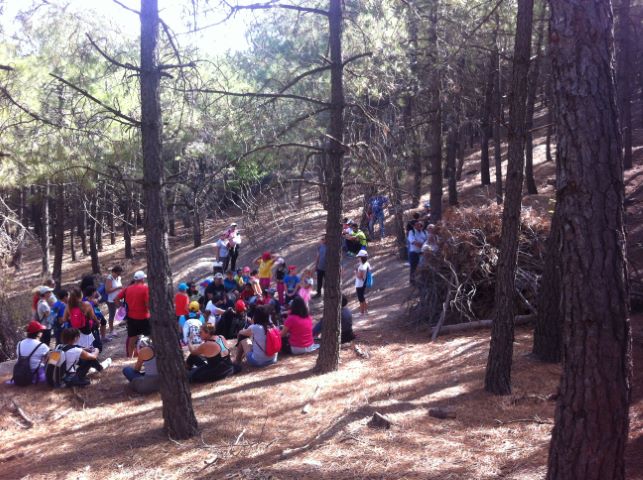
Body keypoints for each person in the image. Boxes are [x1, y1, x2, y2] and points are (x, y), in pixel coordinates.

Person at [116, 270, 151, 358]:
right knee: (149, 338)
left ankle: (129, 358)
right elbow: (147, 304)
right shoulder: (145, 288)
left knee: (132, 339)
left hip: (131, 318)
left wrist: (122, 308)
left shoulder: (128, 288)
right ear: (142, 279)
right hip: (144, 317)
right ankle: (150, 356)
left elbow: (116, 299)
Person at [13, 321, 50, 385]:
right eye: (41, 331)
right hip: (35, 374)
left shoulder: (19, 343)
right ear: (38, 333)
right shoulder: (42, 346)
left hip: (21, 372)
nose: (42, 332)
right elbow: (48, 360)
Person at [105, 266, 123, 338]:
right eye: (117, 273)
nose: (118, 275)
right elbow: (108, 290)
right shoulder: (109, 278)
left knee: (124, 310)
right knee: (112, 314)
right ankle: (111, 330)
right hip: (111, 300)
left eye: (119, 274)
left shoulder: (119, 278)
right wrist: (118, 288)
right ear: (113, 272)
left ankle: (124, 322)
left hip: (119, 298)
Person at [355, 250, 371, 316]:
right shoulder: (367, 264)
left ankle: (362, 312)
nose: (358, 258)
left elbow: (360, 276)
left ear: (361, 257)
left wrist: (356, 272)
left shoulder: (362, 266)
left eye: (359, 257)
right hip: (364, 283)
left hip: (360, 284)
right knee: (362, 297)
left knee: (360, 298)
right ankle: (365, 311)